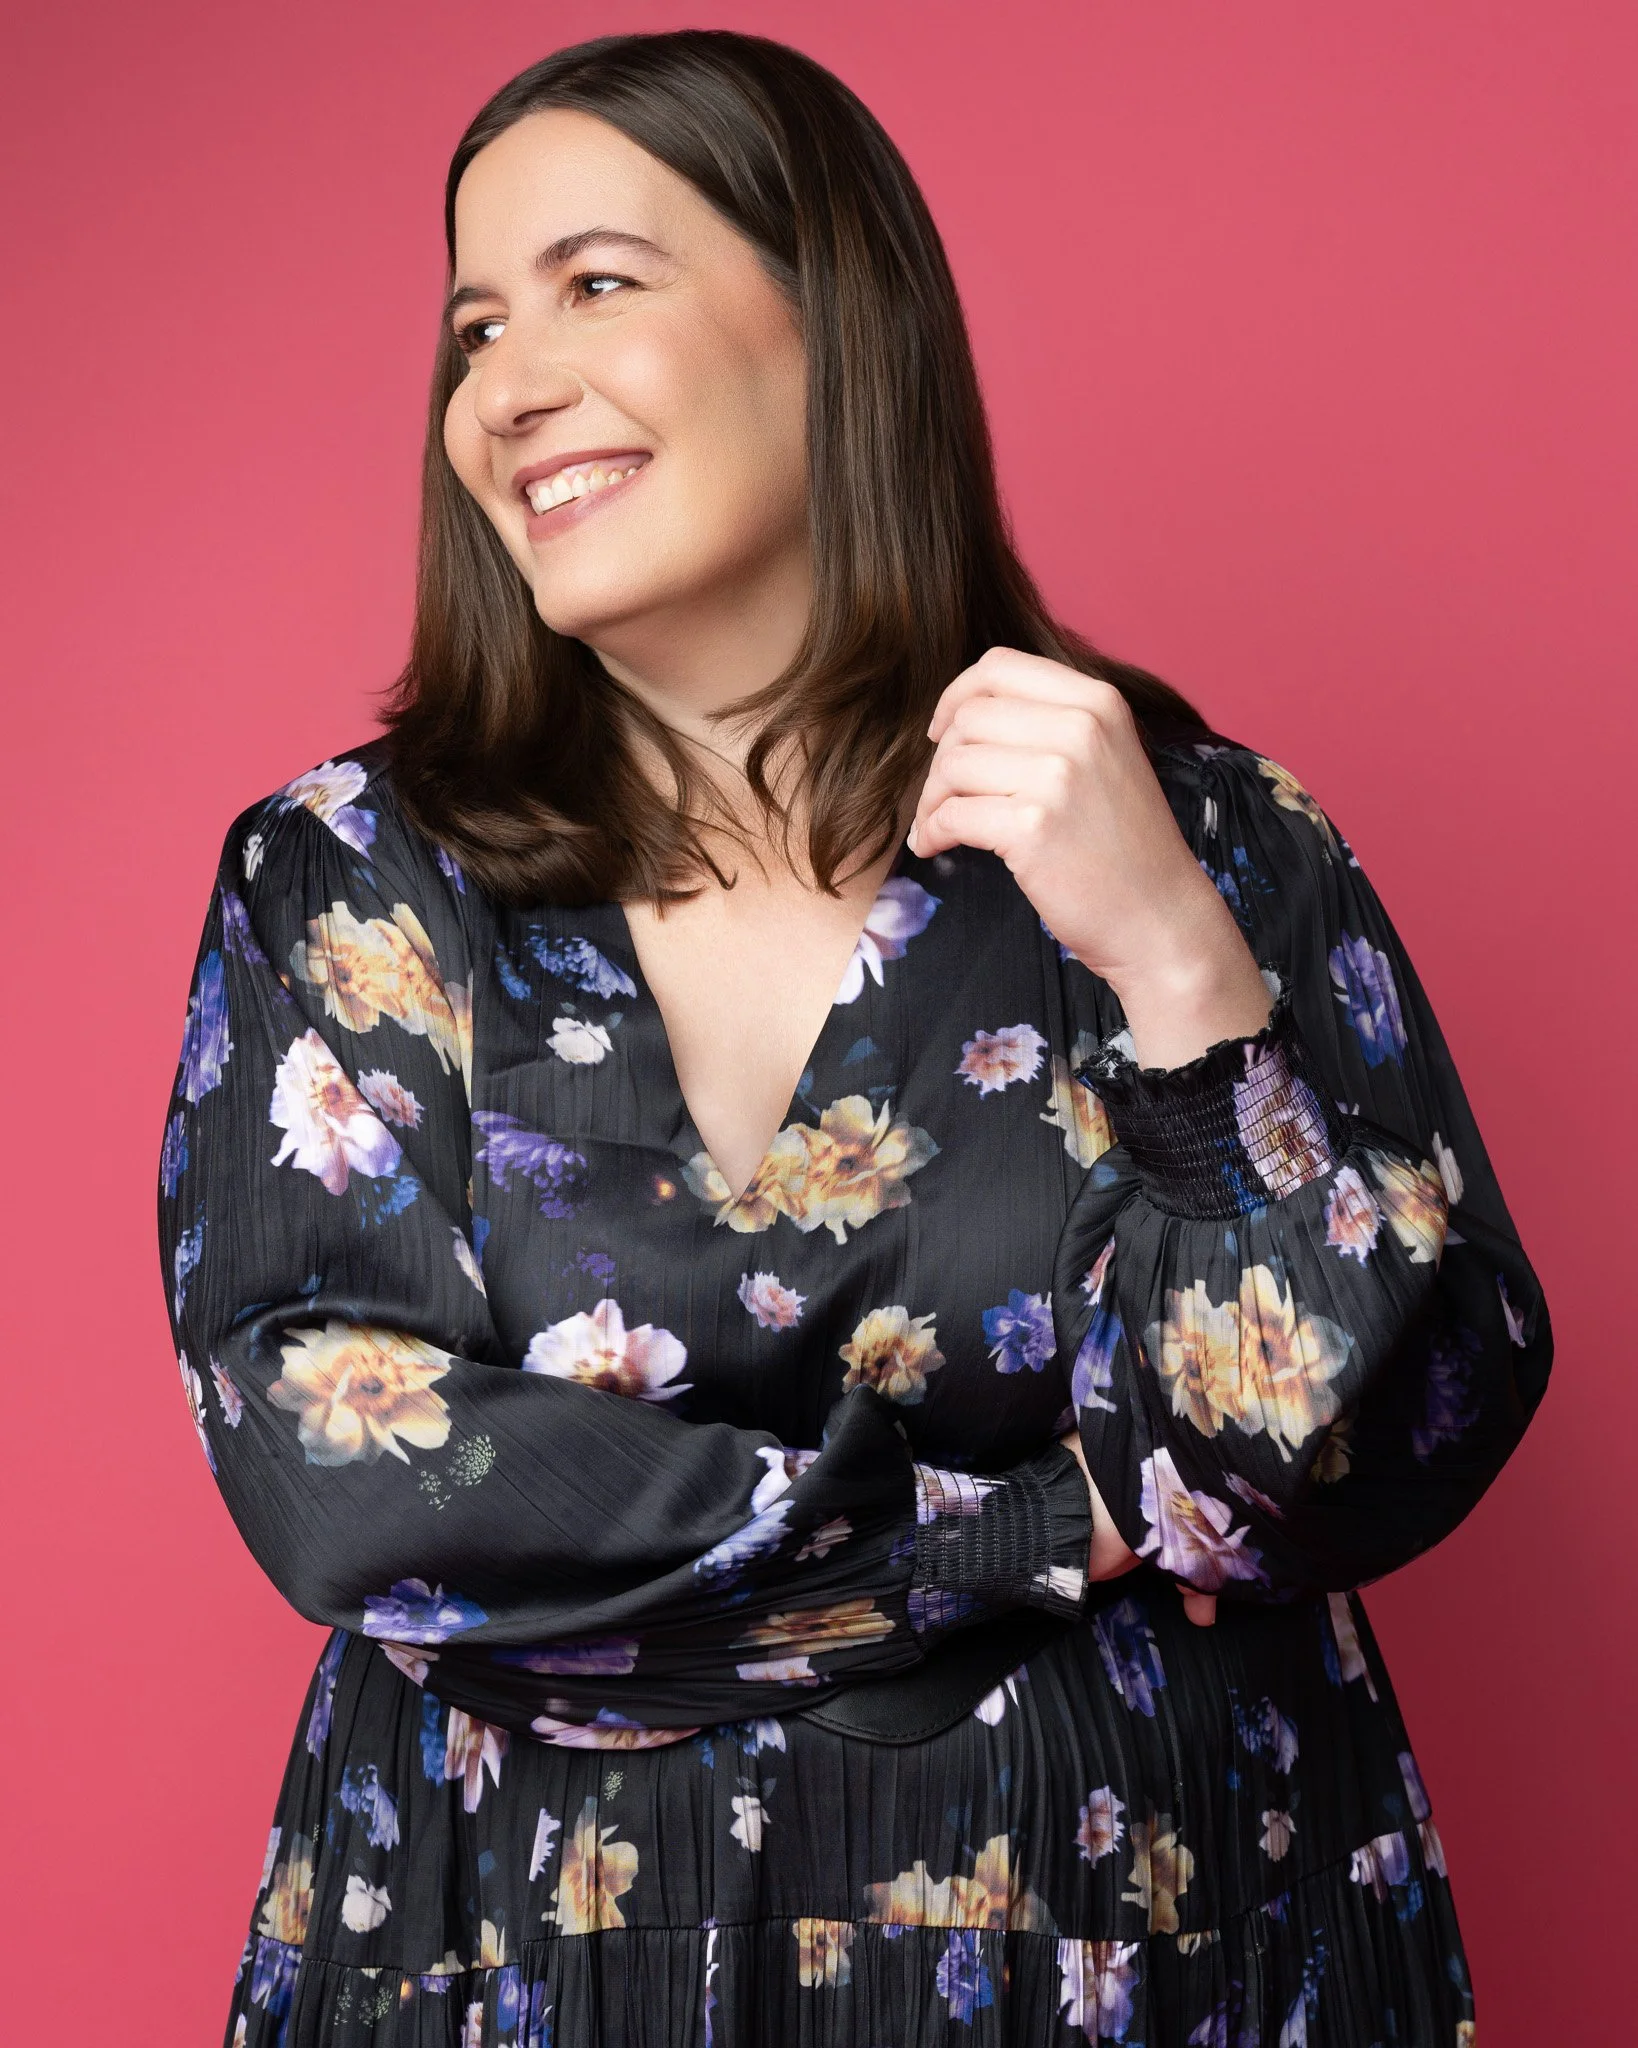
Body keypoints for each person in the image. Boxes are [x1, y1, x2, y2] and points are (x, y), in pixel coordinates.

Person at [159, 30, 1549, 2047]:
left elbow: (1366, 1446)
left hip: (1149, 1950)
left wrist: (1175, 961)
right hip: (518, 1961)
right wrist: (1033, 1528)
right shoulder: (354, 881)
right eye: (473, 326)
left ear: (839, 319)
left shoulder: (1211, 833)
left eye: (596, 283)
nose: (505, 385)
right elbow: (343, 1465)